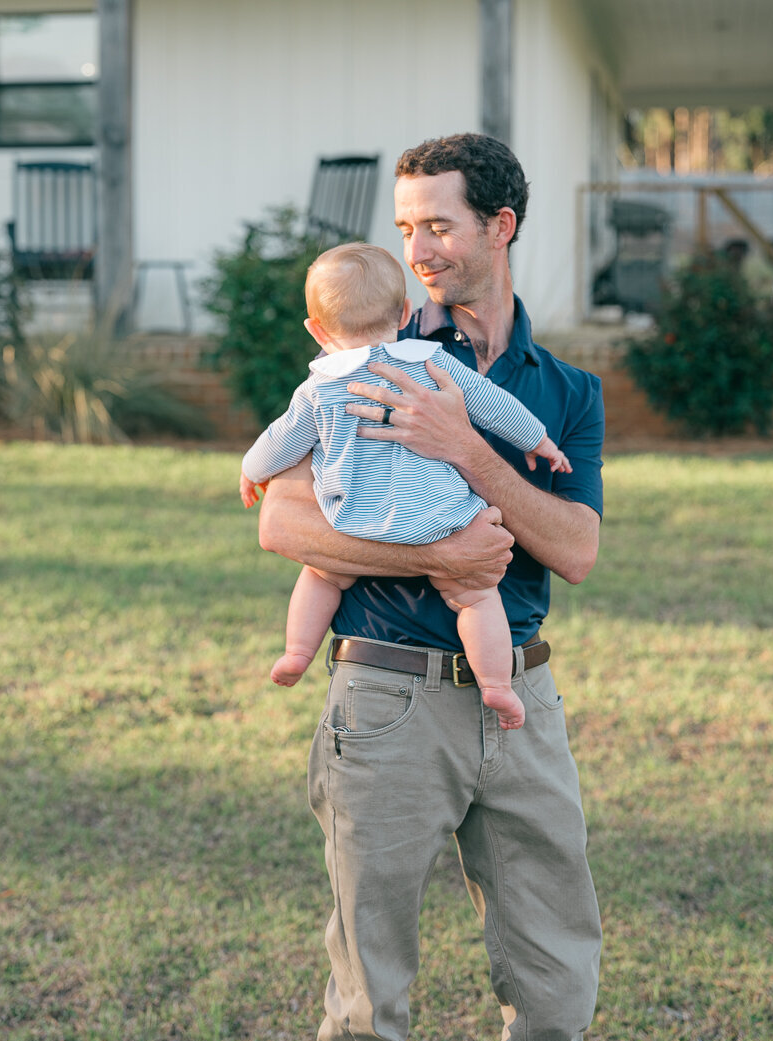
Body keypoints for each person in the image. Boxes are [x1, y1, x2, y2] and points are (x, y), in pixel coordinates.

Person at [256, 134, 606, 1041]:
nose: (419, 248)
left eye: (438, 224)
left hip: (522, 705)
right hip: (388, 699)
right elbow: (280, 514)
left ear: (501, 226)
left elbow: (577, 547)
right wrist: (435, 555)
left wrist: (466, 449)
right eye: (405, 227)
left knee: (554, 989)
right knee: (370, 998)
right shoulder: (367, 354)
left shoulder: (565, 389)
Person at [239, 241, 572, 729]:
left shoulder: (319, 387)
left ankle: (296, 652)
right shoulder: (430, 364)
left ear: (316, 329)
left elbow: (279, 441)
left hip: (358, 518)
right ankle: (498, 685)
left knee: (321, 576)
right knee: (477, 597)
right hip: (437, 516)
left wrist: (251, 470)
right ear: (403, 312)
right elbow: (491, 403)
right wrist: (538, 440)